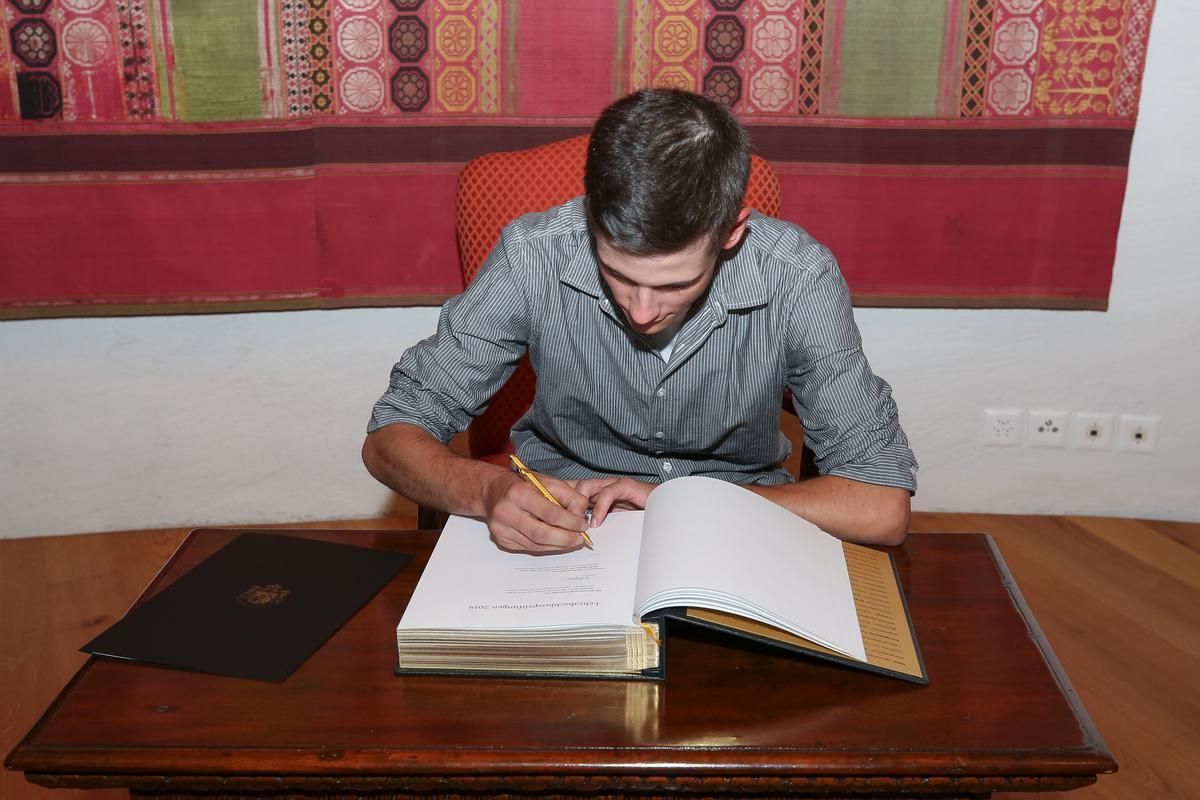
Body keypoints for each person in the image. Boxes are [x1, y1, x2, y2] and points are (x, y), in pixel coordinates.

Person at [363, 88, 917, 553]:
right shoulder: (534, 255)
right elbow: (391, 436)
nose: (642, 311)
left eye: (676, 284)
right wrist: (485, 490)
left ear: (731, 232)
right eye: (617, 274)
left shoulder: (796, 277)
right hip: (562, 512)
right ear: (592, 218)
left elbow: (881, 506)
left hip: (739, 521)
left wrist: (683, 503)